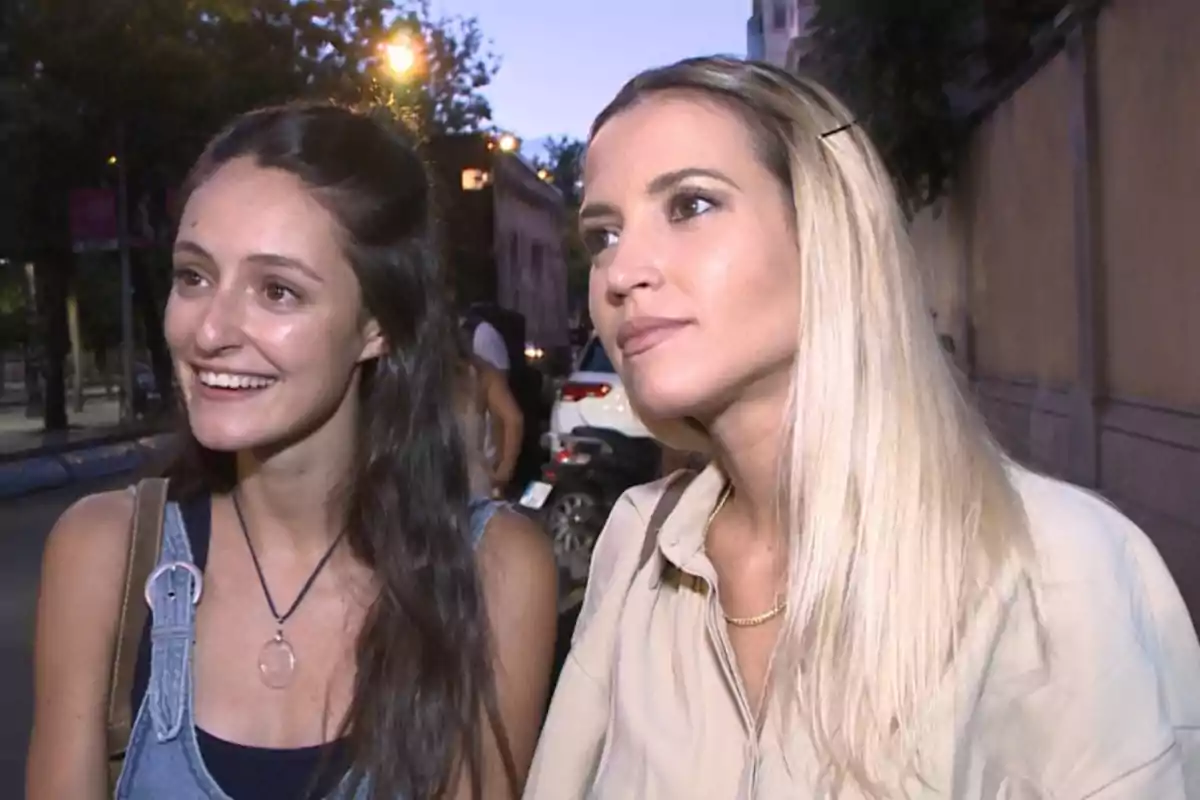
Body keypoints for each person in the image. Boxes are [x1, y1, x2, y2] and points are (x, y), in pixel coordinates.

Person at [525, 56, 1200, 798]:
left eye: (690, 205)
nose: (621, 273)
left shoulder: (1056, 571)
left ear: (826, 229)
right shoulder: (635, 545)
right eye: (604, 235)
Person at [27, 103, 558, 800]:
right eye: (194, 276)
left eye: (276, 290)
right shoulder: (104, 555)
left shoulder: (494, 573)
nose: (210, 329)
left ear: (376, 326)